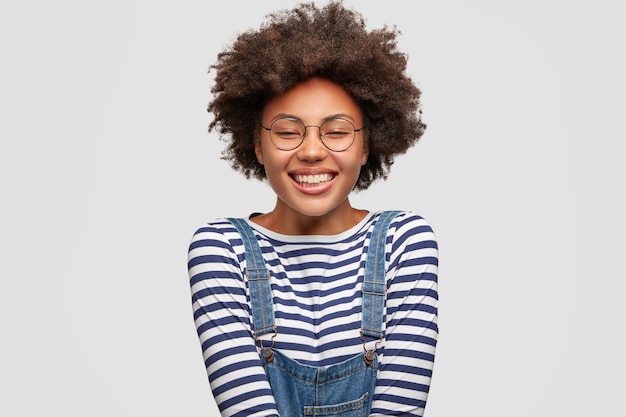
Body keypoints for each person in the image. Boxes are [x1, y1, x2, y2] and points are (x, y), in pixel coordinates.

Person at [187, 2, 438, 416]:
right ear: (256, 143)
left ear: (366, 145)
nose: (311, 151)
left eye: (337, 131)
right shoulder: (221, 249)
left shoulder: (404, 242)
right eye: (287, 131)